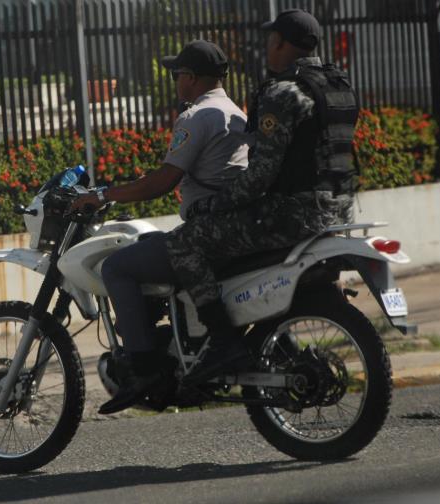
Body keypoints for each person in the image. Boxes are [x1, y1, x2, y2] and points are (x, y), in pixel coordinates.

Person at [164, 8, 360, 384]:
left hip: (292, 216)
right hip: (340, 212)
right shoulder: (336, 84)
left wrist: (210, 204)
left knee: (183, 243)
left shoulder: (284, 93)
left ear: (281, 43)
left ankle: (222, 341)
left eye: (271, 40)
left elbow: (259, 177)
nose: (267, 47)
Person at [67, 40, 250, 415]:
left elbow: (162, 182)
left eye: (177, 74)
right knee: (150, 244)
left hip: (208, 233)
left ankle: (144, 370)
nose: (175, 81)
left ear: (191, 78)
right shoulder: (235, 111)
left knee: (117, 267)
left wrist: (102, 195)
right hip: (236, 230)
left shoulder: (198, 116)